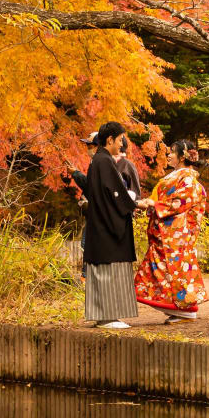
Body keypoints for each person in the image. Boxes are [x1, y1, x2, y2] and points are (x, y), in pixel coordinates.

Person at [134, 138, 208, 323]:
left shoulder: (188, 179)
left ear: (182, 157)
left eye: (172, 152)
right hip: (166, 232)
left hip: (176, 234)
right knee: (167, 271)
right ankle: (180, 309)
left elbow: (179, 203)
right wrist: (150, 205)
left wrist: (154, 204)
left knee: (174, 271)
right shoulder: (177, 177)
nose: (168, 155)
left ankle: (185, 309)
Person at [83, 121, 146, 329]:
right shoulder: (104, 162)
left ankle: (107, 315)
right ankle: (107, 316)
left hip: (101, 223)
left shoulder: (99, 160)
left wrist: (131, 203)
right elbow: (115, 196)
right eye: (120, 140)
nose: (122, 144)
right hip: (106, 227)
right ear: (109, 140)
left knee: (107, 271)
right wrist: (136, 204)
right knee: (107, 270)